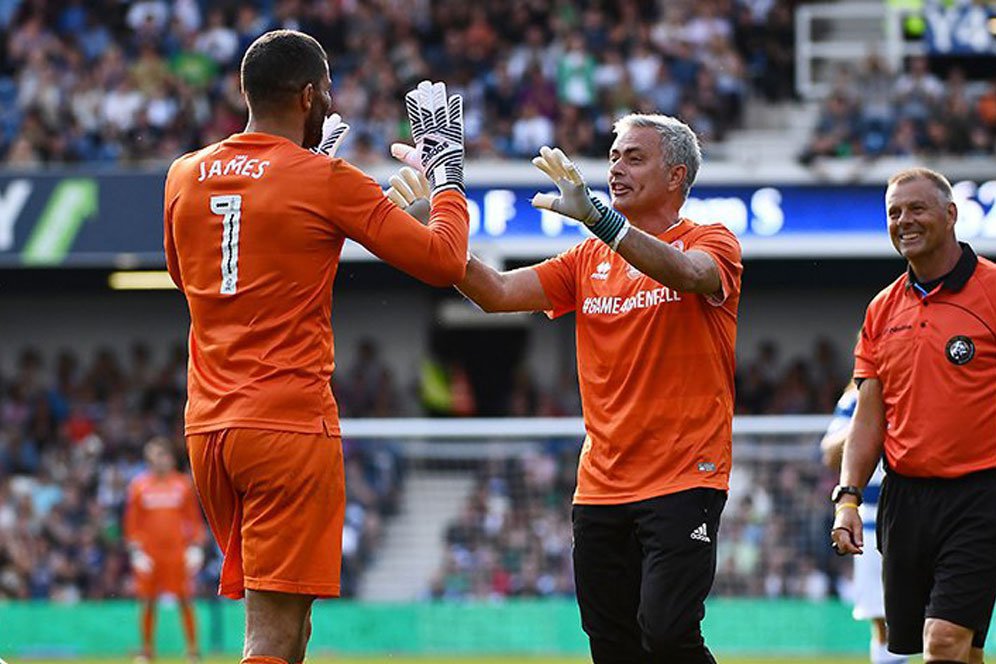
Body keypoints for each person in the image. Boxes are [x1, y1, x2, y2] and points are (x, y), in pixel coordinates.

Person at [163, 30, 469, 664]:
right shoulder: (324, 177)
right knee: (272, 638)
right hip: (286, 427)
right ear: (308, 95)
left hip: (209, 429)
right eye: (326, 91)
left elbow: (191, 278)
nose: (331, 102)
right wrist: (446, 170)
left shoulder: (183, 174)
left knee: (288, 628)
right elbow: (444, 260)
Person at [390, 114, 742, 663]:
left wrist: (604, 223)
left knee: (669, 631)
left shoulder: (710, 240)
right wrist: (430, 229)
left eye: (634, 157)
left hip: (683, 477)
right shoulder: (586, 260)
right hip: (601, 486)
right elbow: (497, 292)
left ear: (676, 176)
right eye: (615, 155)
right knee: (612, 645)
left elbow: (690, 274)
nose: (616, 166)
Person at [831, 167, 996, 664]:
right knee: (948, 648)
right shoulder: (882, 310)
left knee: (942, 642)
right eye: (894, 212)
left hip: (980, 494)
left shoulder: (992, 291)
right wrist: (848, 499)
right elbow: (869, 416)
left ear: (951, 215)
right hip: (905, 501)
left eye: (917, 209)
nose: (904, 220)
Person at [821, 382, 907, 664]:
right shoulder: (854, 398)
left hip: (921, 507)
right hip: (870, 518)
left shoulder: (917, 385)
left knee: (940, 616)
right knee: (882, 619)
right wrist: (867, 419)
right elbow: (829, 453)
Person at [124, 437, 206, 664]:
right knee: (147, 601)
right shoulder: (139, 486)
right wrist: (136, 552)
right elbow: (132, 523)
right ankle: (147, 651)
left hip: (177, 553)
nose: (158, 461)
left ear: (169, 458)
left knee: (185, 600)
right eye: (153, 457)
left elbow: (194, 519)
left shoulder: (183, 485)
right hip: (150, 555)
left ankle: (193, 651)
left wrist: (195, 547)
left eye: (161, 456)